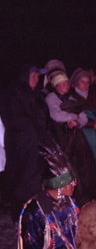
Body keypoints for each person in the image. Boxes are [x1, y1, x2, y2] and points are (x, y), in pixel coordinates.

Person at [1, 64, 49, 223]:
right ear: (24, 77)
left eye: (38, 76)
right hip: (21, 146)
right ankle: (21, 217)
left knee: (34, 180)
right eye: (33, 75)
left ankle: (34, 215)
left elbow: (43, 117)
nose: (36, 79)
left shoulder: (36, 95)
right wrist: (33, 132)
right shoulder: (15, 94)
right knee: (22, 181)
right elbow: (15, 120)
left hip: (35, 146)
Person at [45, 73, 96, 207]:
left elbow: (84, 118)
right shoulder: (51, 98)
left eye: (67, 83)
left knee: (84, 166)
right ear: (56, 85)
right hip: (61, 137)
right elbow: (56, 114)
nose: (66, 86)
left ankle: (85, 196)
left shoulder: (72, 98)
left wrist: (76, 121)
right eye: (62, 84)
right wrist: (73, 117)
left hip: (76, 138)